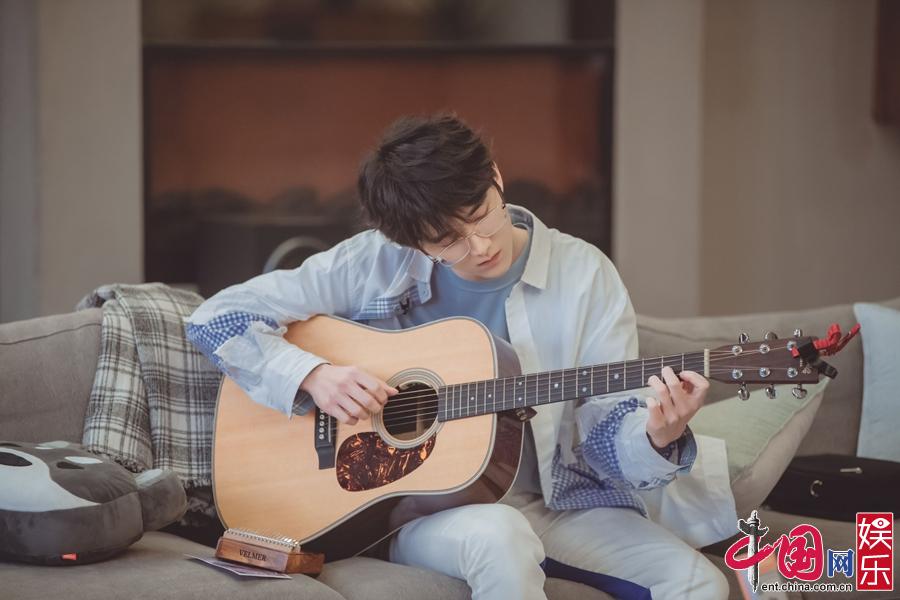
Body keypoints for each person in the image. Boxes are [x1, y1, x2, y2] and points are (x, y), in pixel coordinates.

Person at [185, 113, 731, 599]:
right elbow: (217, 317)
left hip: (553, 503)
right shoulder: (374, 261)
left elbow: (607, 435)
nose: (481, 246)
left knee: (699, 583)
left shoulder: (584, 275)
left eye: (482, 215)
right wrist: (313, 375)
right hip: (406, 509)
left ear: (495, 176)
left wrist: (658, 436)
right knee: (500, 537)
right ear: (410, 242)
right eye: (447, 240)